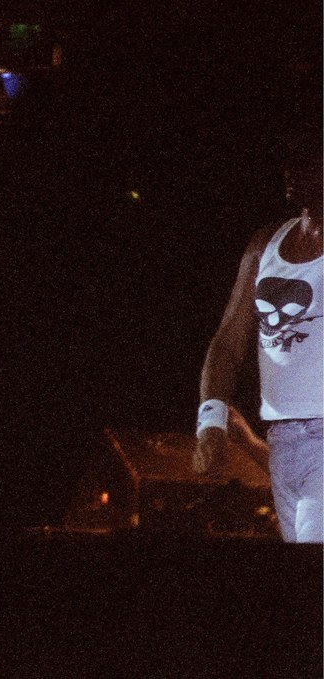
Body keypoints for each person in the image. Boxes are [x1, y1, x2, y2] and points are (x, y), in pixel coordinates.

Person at [193, 145, 322, 543]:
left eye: (309, 161)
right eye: (291, 161)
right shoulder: (264, 244)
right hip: (282, 441)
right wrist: (211, 423)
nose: (292, 170)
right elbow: (227, 344)